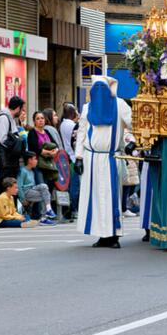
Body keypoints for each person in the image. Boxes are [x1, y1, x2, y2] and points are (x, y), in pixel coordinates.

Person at [74, 75, 135, 248]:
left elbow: (134, 124)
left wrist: (133, 141)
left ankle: (113, 235)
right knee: (95, 198)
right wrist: (78, 157)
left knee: (111, 197)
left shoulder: (120, 105)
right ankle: (102, 235)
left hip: (111, 159)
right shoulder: (87, 108)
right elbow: (82, 132)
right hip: (91, 158)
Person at [18, 152, 57, 224]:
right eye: (35, 159)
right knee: (46, 195)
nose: (37, 161)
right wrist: (23, 199)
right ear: (29, 160)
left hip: (32, 189)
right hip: (26, 192)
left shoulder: (32, 171)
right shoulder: (22, 171)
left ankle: (48, 210)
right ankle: (43, 218)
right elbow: (19, 186)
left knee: (44, 187)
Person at [0, 96, 26, 184]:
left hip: (10, 162)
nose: (23, 112)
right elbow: (2, 140)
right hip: (6, 163)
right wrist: (16, 144)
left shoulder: (10, 118)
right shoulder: (4, 118)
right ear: (18, 108)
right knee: (6, 188)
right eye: (22, 109)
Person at [60, 103, 81, 220]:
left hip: (66, 157)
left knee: (70, 185)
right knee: (75, 185)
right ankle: (74, 208)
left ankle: (71, 209)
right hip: (74, 157)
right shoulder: (74, 125)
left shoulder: (62, 124)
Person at [121, 133, 140, 217]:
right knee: (126, 188)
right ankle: (123, 208)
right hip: (128, 162)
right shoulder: (127, 134)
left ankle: (124, 207)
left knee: (128, 188)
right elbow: (133, 152)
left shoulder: (128, 133)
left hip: (130, 162)